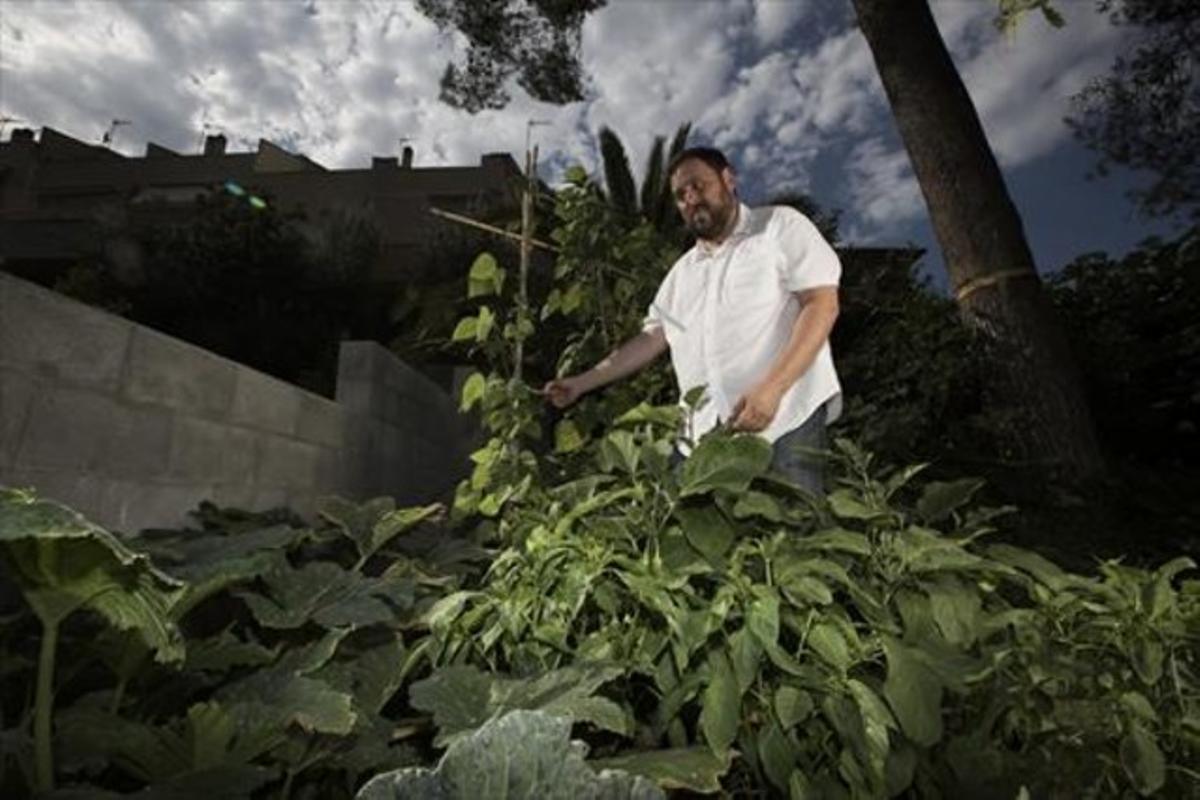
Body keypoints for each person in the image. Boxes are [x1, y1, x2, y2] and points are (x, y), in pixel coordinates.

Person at [543, 146, 841, 493]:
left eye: (698, 186)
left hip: (785, 422)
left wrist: (772, 388)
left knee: (798, 538)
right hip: (703, 441)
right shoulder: (681, 274)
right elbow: (650, 339)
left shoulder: (778, 226)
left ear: (728, 179)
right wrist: (580, 383)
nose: (690, 200)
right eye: (681, 196)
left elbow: (821, 303)